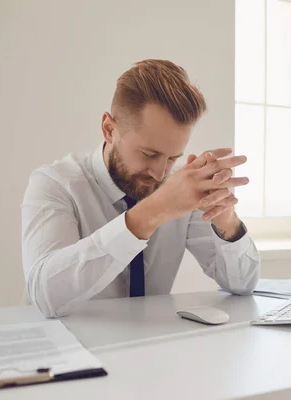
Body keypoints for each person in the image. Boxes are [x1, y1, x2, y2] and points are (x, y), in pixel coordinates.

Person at [21, 59, 260, 318]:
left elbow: (243, 285)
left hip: (150, 348)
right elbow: (44, 296)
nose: (160, 174)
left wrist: (226, 221)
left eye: (172, 158)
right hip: (68, 350)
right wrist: (153, 212)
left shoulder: (179, 188)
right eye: (149, 154)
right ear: (109, 129)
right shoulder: (54, 184)